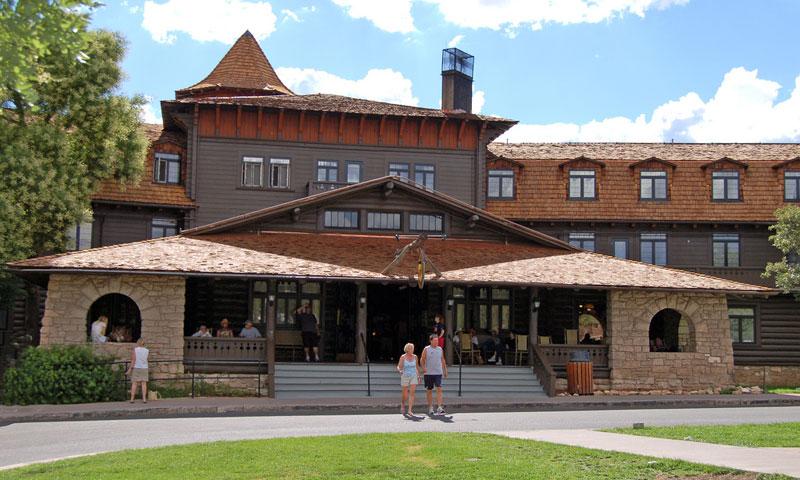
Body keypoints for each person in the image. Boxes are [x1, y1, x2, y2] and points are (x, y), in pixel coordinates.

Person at [420, 334, 447, 416]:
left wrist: (445, 370)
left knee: (439, 388)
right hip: (428, 373)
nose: (436, 342)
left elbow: (442, 360)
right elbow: (422, 359)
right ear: (431, 341)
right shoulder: (426, 349)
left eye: (437, 341)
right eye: (435, 341)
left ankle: (439, 407)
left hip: (438, 372)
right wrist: (423, 368)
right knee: (429, 390)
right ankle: (430, 408)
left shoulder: (440, 349)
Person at [396, 343, 420, 416]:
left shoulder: (415, 357)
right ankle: (403, 404)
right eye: (410, 348)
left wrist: (418, 376)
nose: (412, 350)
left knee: (412, 393)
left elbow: (416, 367)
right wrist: (400, 370)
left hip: (413, 376)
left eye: (412, 348)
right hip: (405, 375)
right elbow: (398, 366)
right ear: (407, 349)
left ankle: (410, 410)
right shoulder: (403, 357)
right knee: (405, 394)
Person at [126, 338, 149, 403]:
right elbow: (146, 359)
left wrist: (130, 369)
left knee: (134, 383)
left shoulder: (135, 350)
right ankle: (144, 399)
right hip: (144, 368)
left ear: (138, 343)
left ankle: (132, 399)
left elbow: (133, 360)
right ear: (144, 343)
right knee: (144, 384)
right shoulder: (147, 350)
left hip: (137, 367)